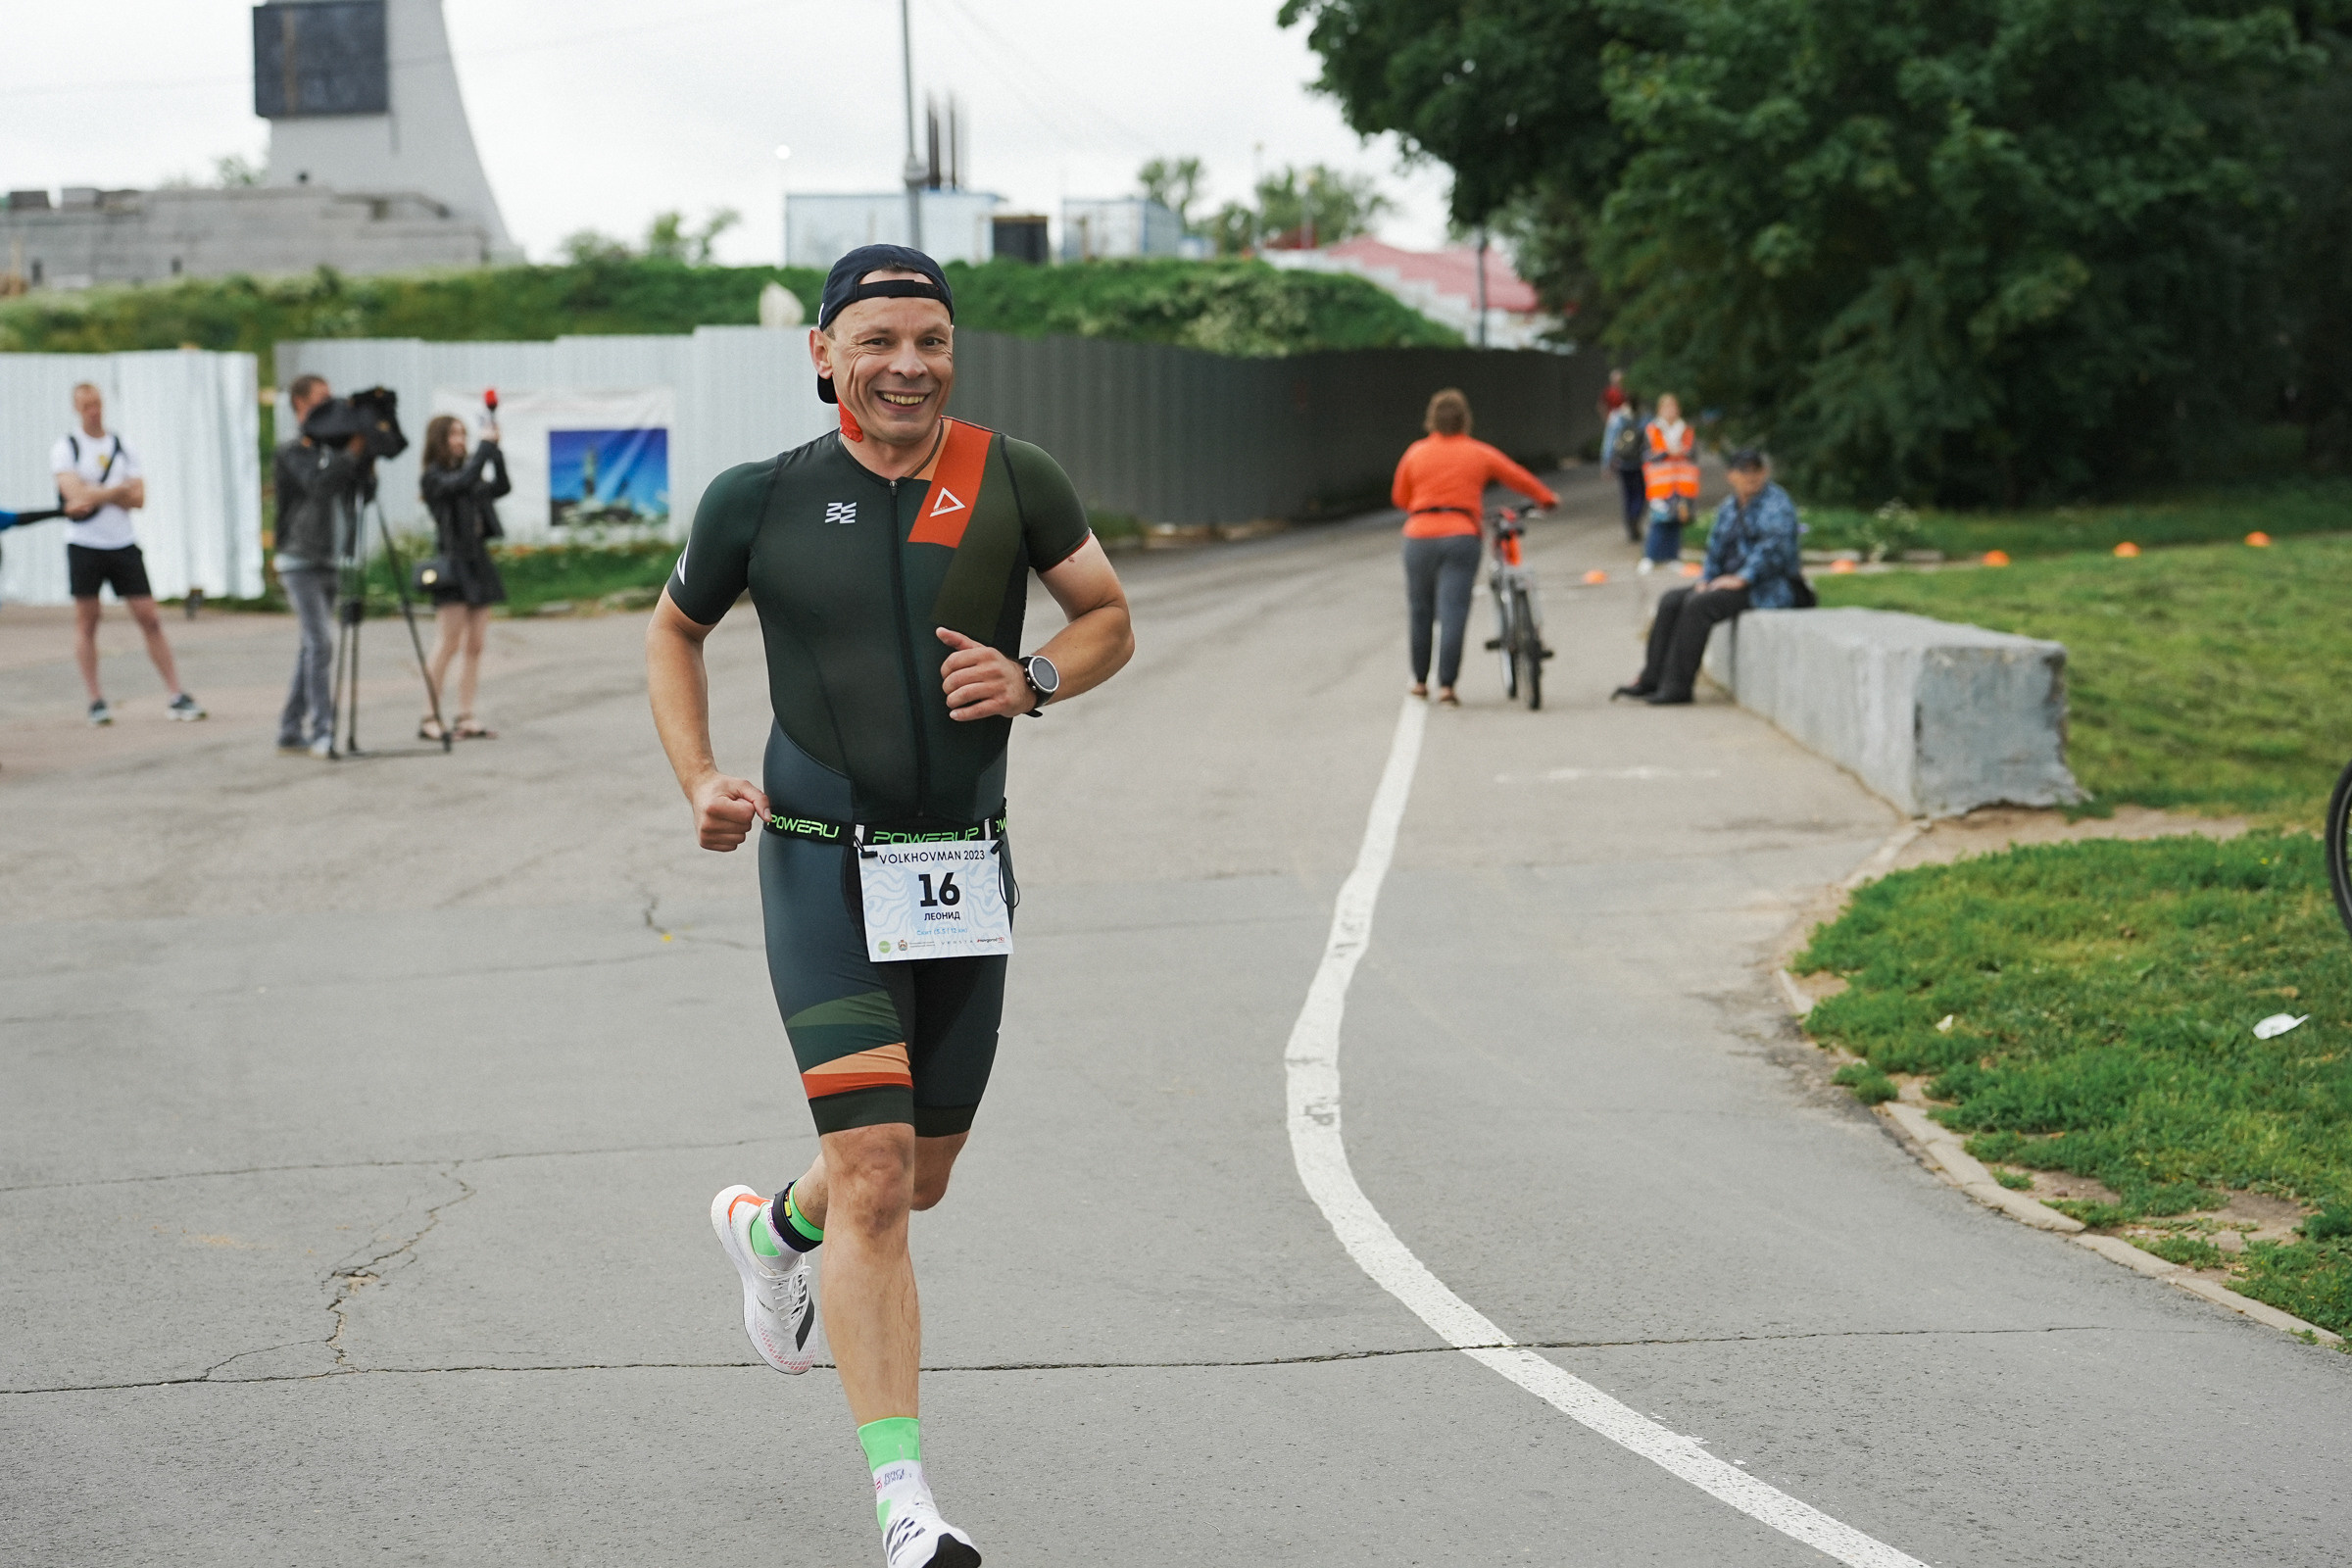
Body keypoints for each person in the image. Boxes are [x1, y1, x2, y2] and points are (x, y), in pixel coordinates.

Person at [646, 244, 1133, 1568]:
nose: (905, 363)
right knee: (873, 1173)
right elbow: (674, 629)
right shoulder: (758, 499)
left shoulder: (1012, 476)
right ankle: (904, 1501)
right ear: (824, 357)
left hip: (964, 868)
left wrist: (1035, 676)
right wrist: (699, 778)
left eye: (927, 339)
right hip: (816, 858)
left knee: (915, 1176)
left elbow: (1105, 615)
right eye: (875, 341)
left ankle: (768, 1233)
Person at [1390, 387, 1557, 707]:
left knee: (1421, 609)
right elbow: (1517, 477)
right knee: (1453, 611)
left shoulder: (1415, 453)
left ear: (1431, 421)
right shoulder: (1478, 452)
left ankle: (1420, 681)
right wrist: (1547, 499)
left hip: (1419, 536)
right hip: (1460, 535)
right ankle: (1448, 687)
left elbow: (1400, 498)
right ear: (1465, 420)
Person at [52, 383, 204, 726]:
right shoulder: (67, 447)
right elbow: (74, 498)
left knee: (149, 616)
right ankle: (95, 700)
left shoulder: (122, 446)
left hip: (122, 542)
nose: (94, 410)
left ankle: (176, 693)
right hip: (84, 544)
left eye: (97, 404)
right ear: (78, 408)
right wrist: (116, 491)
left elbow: (138, 498)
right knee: (88, 620)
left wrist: (99, 493)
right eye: (87, 405)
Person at [1614, 447, 1802, 706]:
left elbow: (1774, 548)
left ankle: (1678, 686)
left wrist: (1743, 578)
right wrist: (1707, 579)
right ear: (1731, 476)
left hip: (1765, 587)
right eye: (1744, 471)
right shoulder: (1729, 507)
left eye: (1756, 470)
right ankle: (1651, 678)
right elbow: (1715, 549)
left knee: (1699, 606)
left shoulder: (1776, 504)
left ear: (1765, 472)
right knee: (1672, 600)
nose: (1751, 476)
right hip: (1727, 582)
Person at [271, 374, 373, 758]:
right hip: (299, 557)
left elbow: (360, 493)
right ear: (300, 404)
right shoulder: (293, 451)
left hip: (330, 556)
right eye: (320, 400)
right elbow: (318, 484)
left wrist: (365, 459)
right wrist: (350, 453)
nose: (330, 408)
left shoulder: (335, 450)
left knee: (311, 648)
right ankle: (323, 729)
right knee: (320, 643)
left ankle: (289, 727)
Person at [417, 413, 511, 740]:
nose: (460, 440)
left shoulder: (467, 474)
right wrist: (485, 448)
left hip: (478, 562)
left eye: (462, 434)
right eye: (453, 435)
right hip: (451, 564)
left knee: (476, 644)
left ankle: (465, 715)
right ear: (439, 440)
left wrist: (495, 451)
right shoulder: (434, 477)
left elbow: (501, 486)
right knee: (448, 642)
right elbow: (459, 484)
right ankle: (429, 716)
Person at [1638, 392, 1700, 574]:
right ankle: (1649, 557)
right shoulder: (1652, 429)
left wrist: (1681, 451)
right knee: (1658, 521)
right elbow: (1646, 455)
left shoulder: (1686, 430)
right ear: (1660, 410)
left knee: (1676, 521)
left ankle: (1673, 557)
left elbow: (1693, 453)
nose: (1670, 411)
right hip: (1661, 485)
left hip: (1682, 484)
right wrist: (1667, 452)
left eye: (1673, 407)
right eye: (1666, 407)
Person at [1602, 394, 1647, 543]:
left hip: (1623, 463)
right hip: (1640, 462)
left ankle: (1630, 521)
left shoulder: (1617, 417)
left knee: (1628, 494)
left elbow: (1609, 441)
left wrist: (1606, 463)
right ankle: (1635, 516)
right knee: (1640, 493)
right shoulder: (1644, 417)